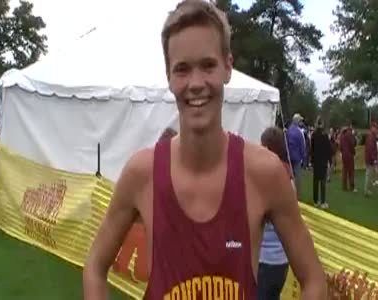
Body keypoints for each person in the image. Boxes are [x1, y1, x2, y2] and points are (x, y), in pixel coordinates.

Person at [82, 1, 327, 299]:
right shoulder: (141, 173)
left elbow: (314, 279)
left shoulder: (264, 173)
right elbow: (94, 266)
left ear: (228, 66)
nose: (196, 83)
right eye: (182, 69)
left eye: (208, 65)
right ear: (169, 77)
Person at [258, 127, 293, 300]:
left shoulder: (269, 179)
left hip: (266, 258)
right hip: (282, 258)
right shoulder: (289, 177)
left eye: (262, 147)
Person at [311, 118, 331, 209]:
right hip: (323, 161)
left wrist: (312, 161)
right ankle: (322, 202)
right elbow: (328, 149)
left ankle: (315, 201)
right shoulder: (325, 135)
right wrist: (329, 160)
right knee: (322, 182)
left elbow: (312, 149)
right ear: (322, 124)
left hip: (316, 161)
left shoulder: (313, 135)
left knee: (315, 181)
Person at [287, 113, 306, 198]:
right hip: (297, 157)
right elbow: (302, 146)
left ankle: (290, 193)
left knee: (290, 176)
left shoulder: (288, 130)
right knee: (297, 177)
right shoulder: (299, 132)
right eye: (300, 120)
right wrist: (303, 158)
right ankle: (297, 195)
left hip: (289, 157)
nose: (301, 122)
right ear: (297, 121)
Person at [340, 124, 357, 192]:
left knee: (344, 170)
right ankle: (352, 187)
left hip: (344, 155)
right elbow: (352, 144)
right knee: (351, 171)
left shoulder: (342, 135)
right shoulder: (349, 134)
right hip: (349, 155)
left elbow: (340, 146)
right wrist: (354, 152)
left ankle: (344, 186)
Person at [364, 123, 378, 197]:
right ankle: (366, 190)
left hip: (370, 158)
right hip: (370, 159)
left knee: (370, 175)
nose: (377, 130)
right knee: (369, 174)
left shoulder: (372, 136)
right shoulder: (371, 137)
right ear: (372, 128)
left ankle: (368, 190)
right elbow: (371, 149)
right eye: (375, 128)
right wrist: (374, 160)